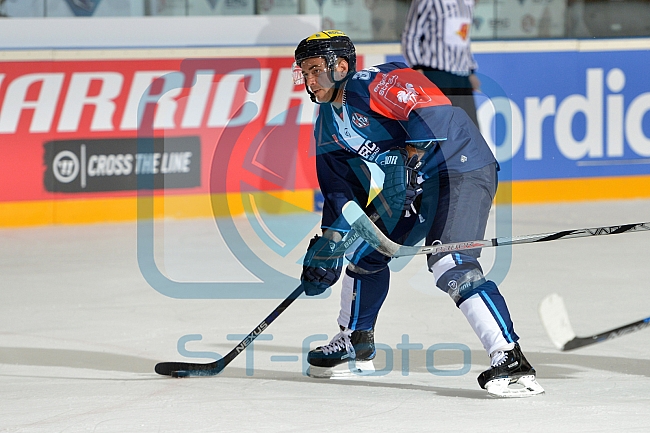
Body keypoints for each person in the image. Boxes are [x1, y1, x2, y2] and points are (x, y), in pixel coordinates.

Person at [295, 30, 543, 397]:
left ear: (341, 66)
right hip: (415, 183)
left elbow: (432, 109)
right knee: (365, 253)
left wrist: (409, 165)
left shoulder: (374, 83)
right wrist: (328, 246)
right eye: (304, 71)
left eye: (315, 69)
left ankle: (510, 359)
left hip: (461, 168)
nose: (310, 79)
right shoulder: (328, 122)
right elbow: (339, 189)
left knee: (450, 262)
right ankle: (354, 341)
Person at [401, 0, 480, 126]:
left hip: (461, 76)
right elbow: (411, 35)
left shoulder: (468, 2)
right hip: (435, 74)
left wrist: (470, 70)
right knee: (439, 128)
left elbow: (463, 38)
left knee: (469, 130)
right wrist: (416, 67)